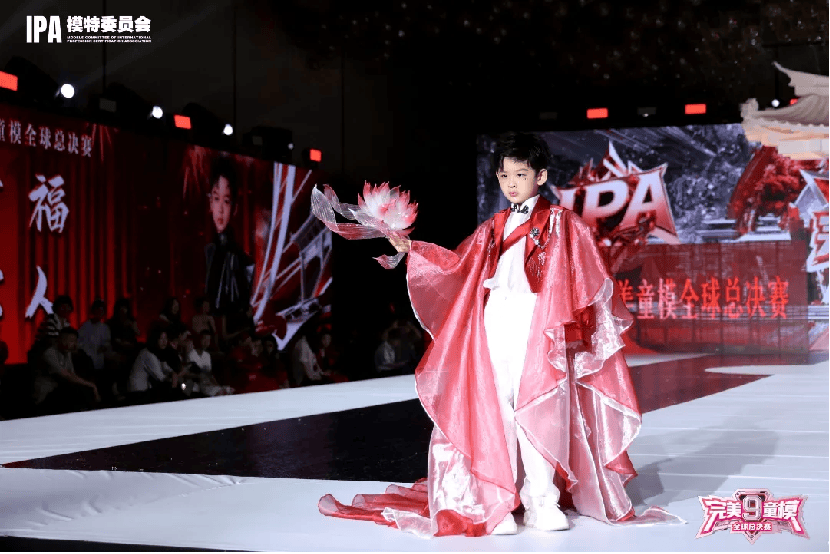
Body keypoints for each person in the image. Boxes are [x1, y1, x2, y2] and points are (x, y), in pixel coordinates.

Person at [320, 132, 678, 536]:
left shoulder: (564, 223)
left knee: (540, 408)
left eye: (520, 174)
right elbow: (458, 265)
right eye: (504, 175)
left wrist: (575, 325)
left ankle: (542, 501)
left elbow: (589, 277)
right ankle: (498, 500)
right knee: (497, 407)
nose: (511, 183)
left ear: (541, 176)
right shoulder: (494, 226)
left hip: (539, 322)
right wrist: (414, 249)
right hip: (497, 320)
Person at [204, 156, 255, 347]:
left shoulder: (242, 259)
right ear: (210, 201)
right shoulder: (208, 251)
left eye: (226, 201)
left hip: (234, 328)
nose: (220, 209)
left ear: (234, 207)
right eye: (216, 198)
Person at [33, 327, 100, 414]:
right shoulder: (50, 353)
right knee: (74, 390)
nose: (71, 344)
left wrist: (90, 385)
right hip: (45, 394)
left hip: (59, 389)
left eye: (73, 341)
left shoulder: (67, 353)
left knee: (81, 389)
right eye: (68, 340)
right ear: (59, 339)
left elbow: (72, 374)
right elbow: (66, 375)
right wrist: (91, 385)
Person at [128, 327, 175, 403]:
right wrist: (174, 376)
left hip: (143, 392)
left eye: (166, 338)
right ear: (155, 340)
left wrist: (173, 373)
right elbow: (160, 378)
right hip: (138, 393)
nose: (164, 342)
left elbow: (166, 368)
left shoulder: (157, 353)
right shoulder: (148, 354)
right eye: (161, 339)